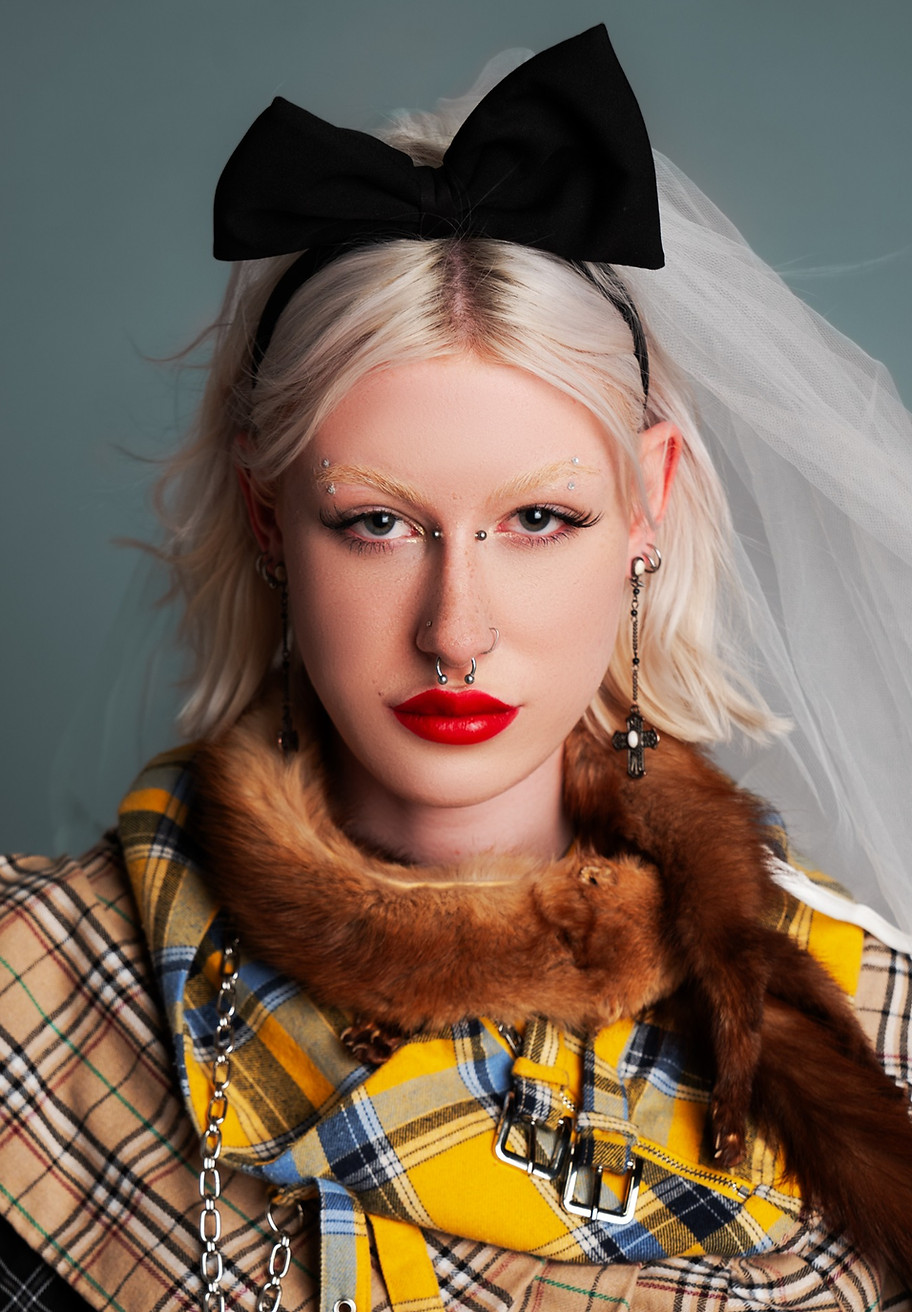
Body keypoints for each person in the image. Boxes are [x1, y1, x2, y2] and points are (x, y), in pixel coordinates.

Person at [2, 24, 912, 1312]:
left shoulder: (876, 1033)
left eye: (539, 520)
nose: (457, 630)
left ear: (646, 507)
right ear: (270, 521)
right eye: (376, 522)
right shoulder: (33, 987)